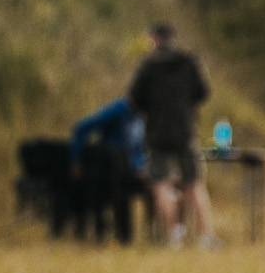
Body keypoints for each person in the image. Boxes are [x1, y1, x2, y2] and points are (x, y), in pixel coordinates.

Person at [128, 23, 219, 249]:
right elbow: (203, 92)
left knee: (161, 183)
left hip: (157, 132)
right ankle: (206, 236)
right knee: (194, 182)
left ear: (154, 40)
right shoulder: (188, 62)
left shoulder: (148, 66)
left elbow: (135, 99)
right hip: (185, 131)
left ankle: (173, 235)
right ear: (173, 39)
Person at [69, 96, 148, 245]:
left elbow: (139, 149)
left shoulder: (140, 118)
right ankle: (100, 235)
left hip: (128, 172)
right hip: (106, 169)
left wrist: (140, 167)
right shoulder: (119, 111)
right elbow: (82, 128)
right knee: (102, 199)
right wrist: (76, 159)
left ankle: (126, 239)